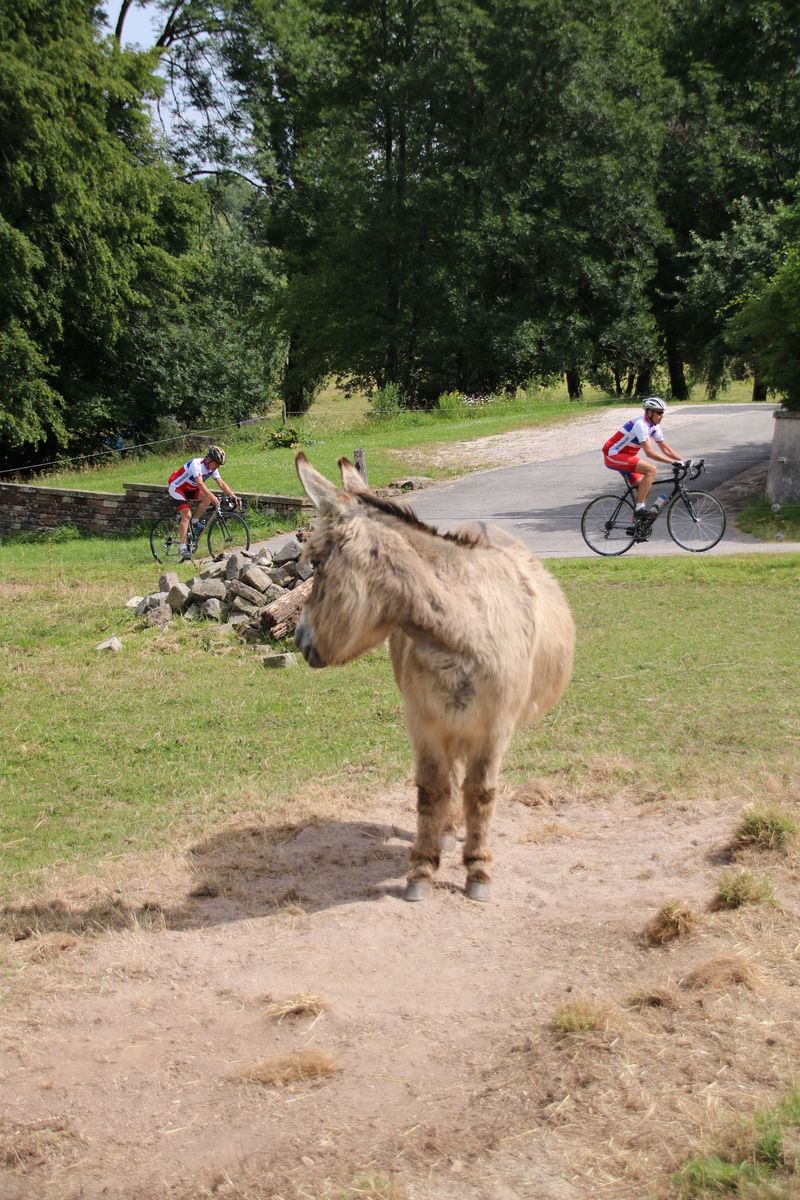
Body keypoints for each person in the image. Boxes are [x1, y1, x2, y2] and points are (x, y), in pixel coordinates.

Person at [602, 398, 684, 518]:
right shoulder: (640, 425)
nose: (661, 416)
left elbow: (665, 449)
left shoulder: (654, 426)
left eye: (662, 413)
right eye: (659, 413)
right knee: (650, 469)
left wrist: (682, 461)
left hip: (625, 457)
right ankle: (639, 509)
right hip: (612, 455)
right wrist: (673, 462)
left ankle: (637, 525)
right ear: (649, 412)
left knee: (644, 487)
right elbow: (649, 452)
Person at [167, 445, 241, 560]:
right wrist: (212, 497)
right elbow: (200, 484)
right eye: (217, 463)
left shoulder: (212, 468)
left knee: (207, 498)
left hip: (191, 488)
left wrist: (233, 496)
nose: (218, 467)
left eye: (219, 465)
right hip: (177, 487)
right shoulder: (196, 464)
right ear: (209, 459)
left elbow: (221, 483)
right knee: (186, 515)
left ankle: (195, 521)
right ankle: (182, 548)